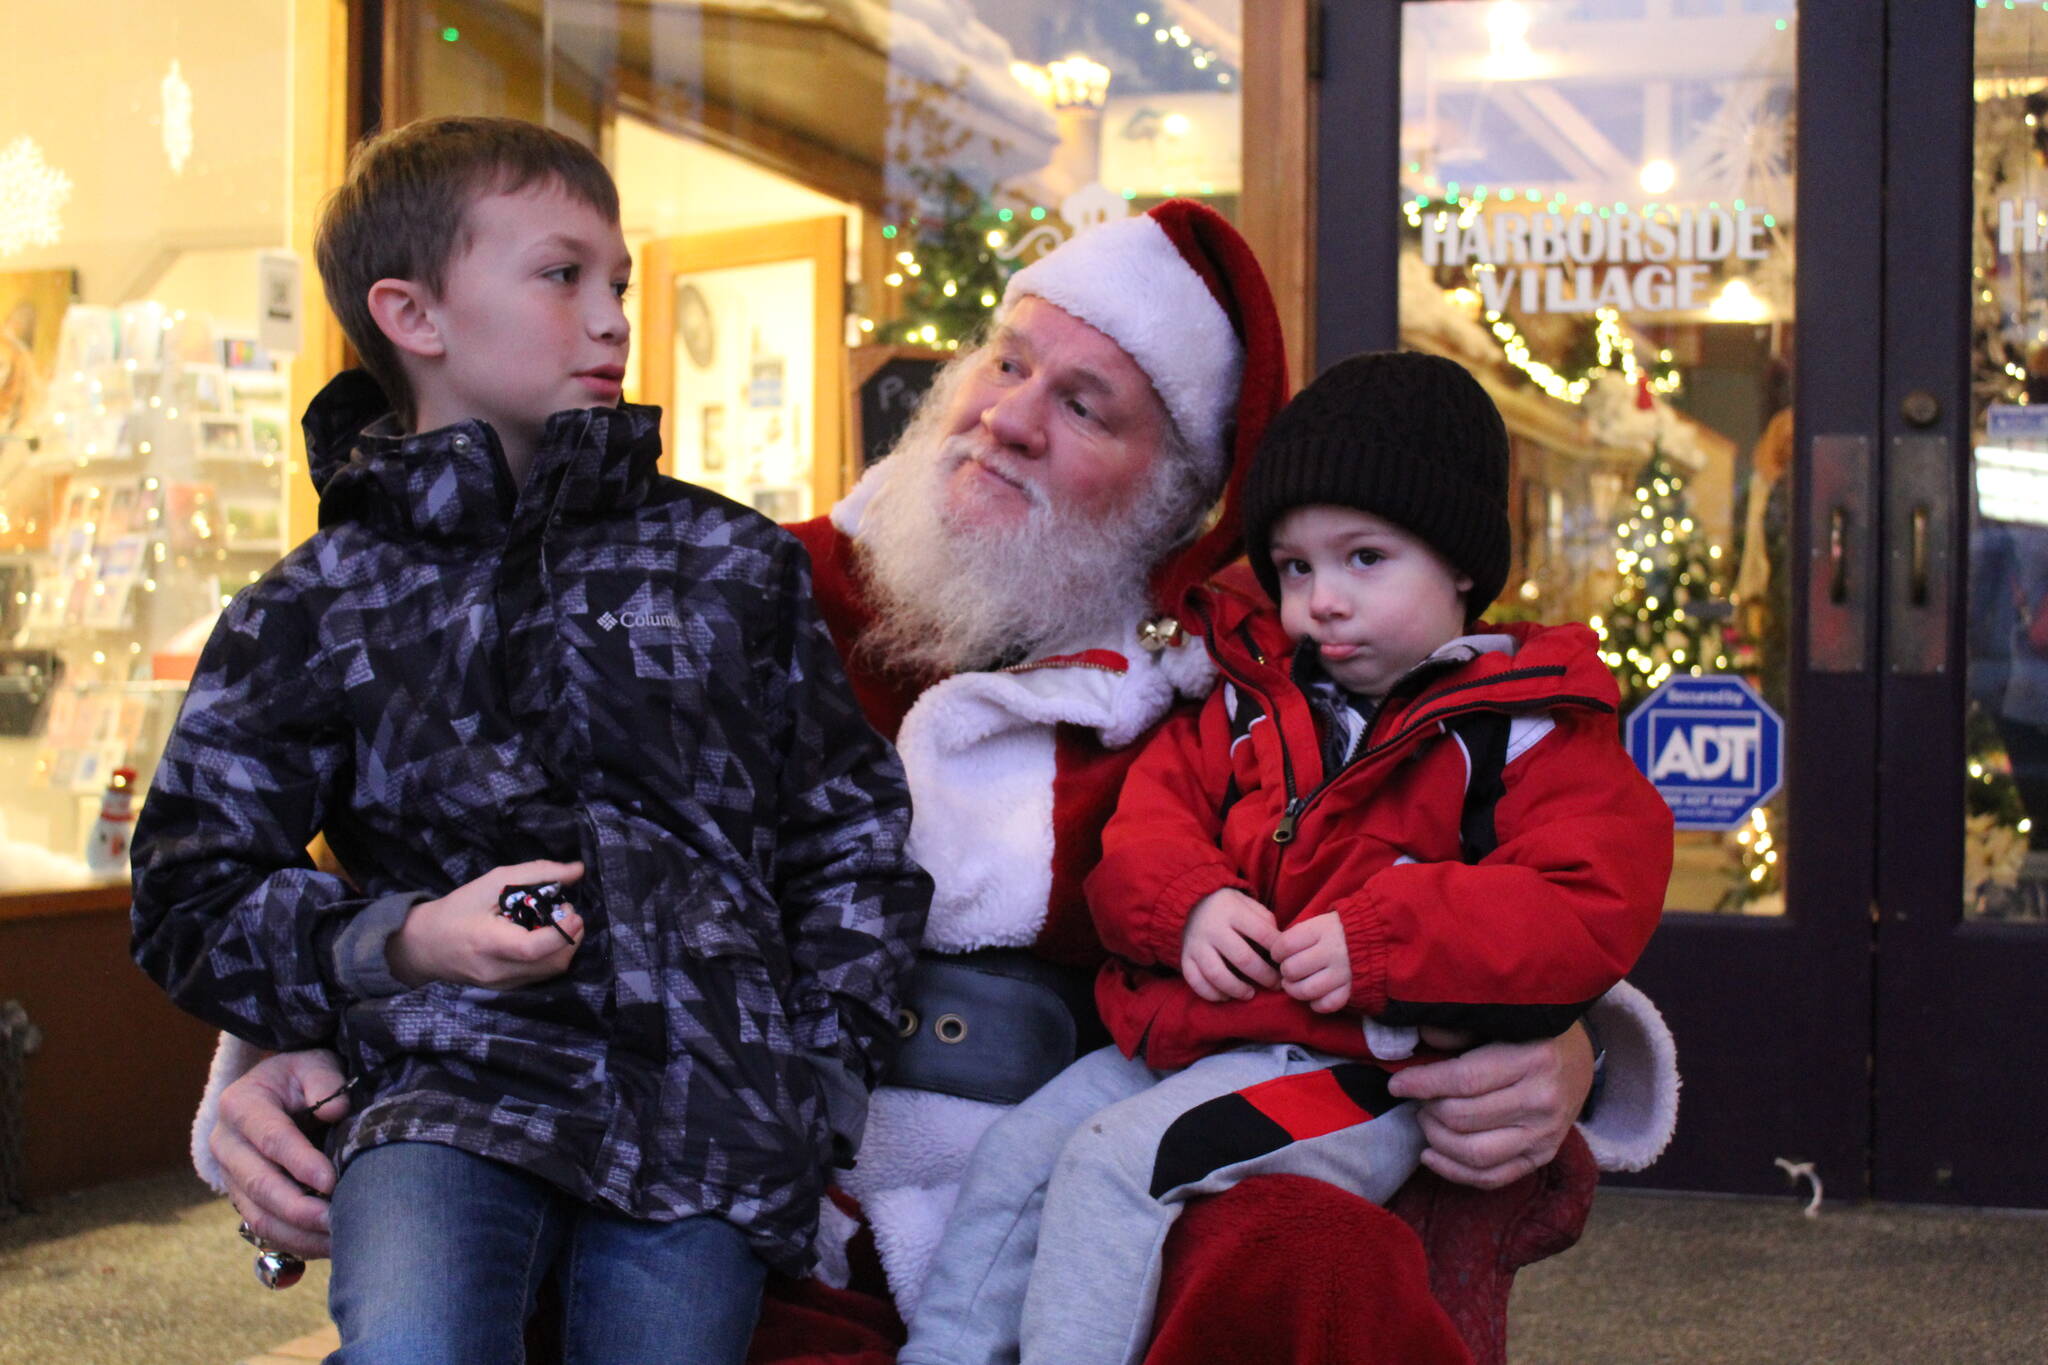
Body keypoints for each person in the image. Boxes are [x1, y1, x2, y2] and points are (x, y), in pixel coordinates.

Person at [194, 199, 1680, 1365]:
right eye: (1009, 362)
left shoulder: (1229, 696)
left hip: (1085, 1230)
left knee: (1313, 1268)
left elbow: (1440, 847)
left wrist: (1558, 1044)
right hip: (740, 1188)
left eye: (1090, 407)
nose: (1010, 416)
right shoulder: (727, 584)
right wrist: (265, 1045)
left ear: (1175, 500)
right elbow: (419, 801)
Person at [128, 116, 930, 1365]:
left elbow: (849, 835)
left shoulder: (732, 566)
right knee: (414, 1348)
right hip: (444, 1093)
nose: (612, 316)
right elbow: (190, 886)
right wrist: (395, 942)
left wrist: (812, 1076)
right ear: (414, 315)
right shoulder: (317, 603)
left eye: (617, 280)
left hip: (709, 1119)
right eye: (563, 276)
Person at [896, 351, 1673, 1365]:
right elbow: (1143, 829)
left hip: (1354, 1068)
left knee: (1114, 1170)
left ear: (1462, 565)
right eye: (1295, 567)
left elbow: (1585, 904)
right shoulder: (1246, 701)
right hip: (1186, 1039)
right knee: (1013, 1163)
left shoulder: (1523, 729)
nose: (1321, 601)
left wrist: (1387, 940)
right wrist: (1187, 906)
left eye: (1364, 559)